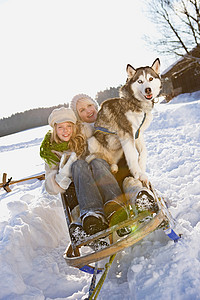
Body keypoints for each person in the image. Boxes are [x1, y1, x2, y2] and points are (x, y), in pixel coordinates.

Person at [40, 107, 129, 240]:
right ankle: (92, 213)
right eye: (60, 127)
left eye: (69, 126)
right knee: (78, 165)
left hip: (101, 172)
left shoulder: (85, 132)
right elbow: (50, 187)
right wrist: (63, 174)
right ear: (54, 129)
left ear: (74, 126)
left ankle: (116, 207)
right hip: (81, 187)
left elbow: (105, 135)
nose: (65, 131)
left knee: (96, 162)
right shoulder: (51, 151)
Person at [70, 94, 159, 217]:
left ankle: (139, 196)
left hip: (124, 170)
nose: (88, 111)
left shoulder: (113, 118)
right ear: (78, 116)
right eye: (82, 110)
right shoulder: (82, 134)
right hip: (102, 179)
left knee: (127, 169)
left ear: (95, 105)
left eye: (89, 105)